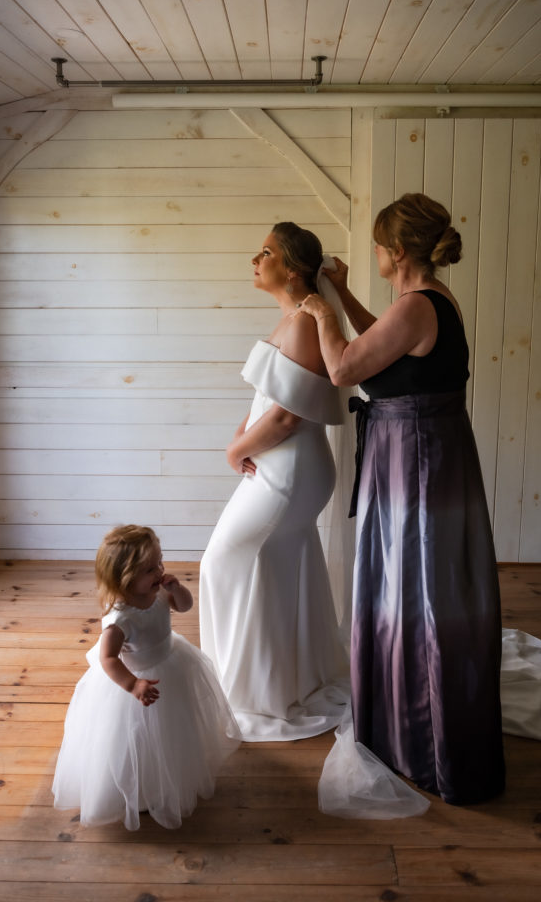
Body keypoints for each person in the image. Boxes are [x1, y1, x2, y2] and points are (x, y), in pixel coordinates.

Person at [300, 193, 506, 806]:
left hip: (415, 460)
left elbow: (343, 367)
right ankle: (408, 713)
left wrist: (318, 311)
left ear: (396, 251)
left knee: (419, 586)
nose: (373, 252)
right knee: (417, 582)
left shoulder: (418, 307)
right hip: (422, 452)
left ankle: (421, 732)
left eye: (378, 243)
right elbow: (380, 342)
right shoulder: (424, 303)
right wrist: (341, 294)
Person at [199, 222, 350, 741]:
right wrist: (240, 434)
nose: (254, 259)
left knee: (222, 560)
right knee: (278, 566)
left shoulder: (306, 322)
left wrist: (238, 449)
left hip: (289, 470)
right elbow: (266, 399)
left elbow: (289, 417)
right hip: (280, 464)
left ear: (291, 267)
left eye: (264, 252)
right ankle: (287, 676)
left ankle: (252, 692)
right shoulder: (291, 318)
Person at [52, 524, 241, 830]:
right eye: (150, 569)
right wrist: (132, 684)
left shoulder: (158, 594)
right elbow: (108, 658)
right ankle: (138, 791)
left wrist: (176, 589)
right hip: (138, 679)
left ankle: (169, 776)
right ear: (124, 578)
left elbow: (185, 605)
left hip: (171, 664)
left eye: (160, 563)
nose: (160, 571)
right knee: (136, 738)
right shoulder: (119, 619)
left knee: (174, 729)